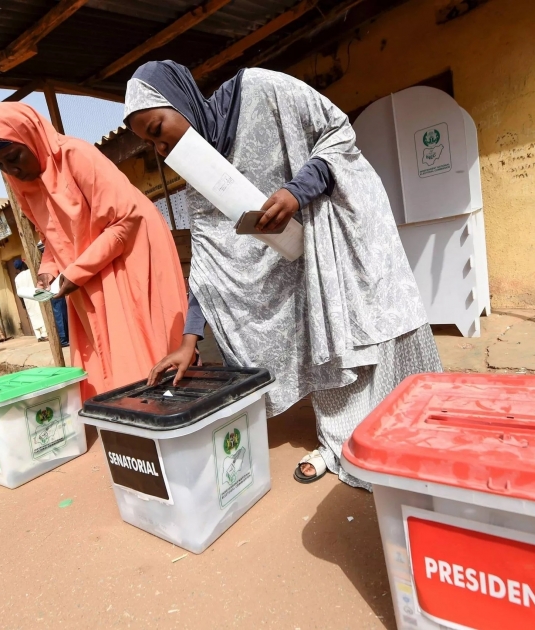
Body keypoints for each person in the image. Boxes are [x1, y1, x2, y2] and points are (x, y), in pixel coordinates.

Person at [125, 61, 443, 489]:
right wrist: (189, 342)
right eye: (150, 144)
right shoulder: (197, 172)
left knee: (378, 328)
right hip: (298, 261)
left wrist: (297, 191)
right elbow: (209, 259)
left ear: (180, 99)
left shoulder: (262, 89)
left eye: (158, 129)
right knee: (326, 339)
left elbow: (337, 134)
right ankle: (343, 445)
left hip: (340, 228)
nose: (161, 149)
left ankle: (414, 434)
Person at [0, 102, 188, 399]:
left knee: (135, 336)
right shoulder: (21, 183)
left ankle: (156, 407)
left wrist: (75, 272)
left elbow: (125, 220)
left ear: (31, 136)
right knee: (100, 345)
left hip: (128, 253)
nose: (12, 169)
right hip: (85, 269)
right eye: (0, 165)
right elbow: (51, 234)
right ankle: (119, 408)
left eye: (14, 157)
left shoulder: (75, 154)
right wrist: (49, 270)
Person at [12, 259, 47, 339]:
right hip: (36, 294)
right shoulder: (31, 272)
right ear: (23, 264)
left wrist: (22, 303)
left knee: (33, 315)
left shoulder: (17, 278)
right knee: (40, 313)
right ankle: (44, 334)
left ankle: (38, 335)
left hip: (26, 298)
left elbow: (19, 292)